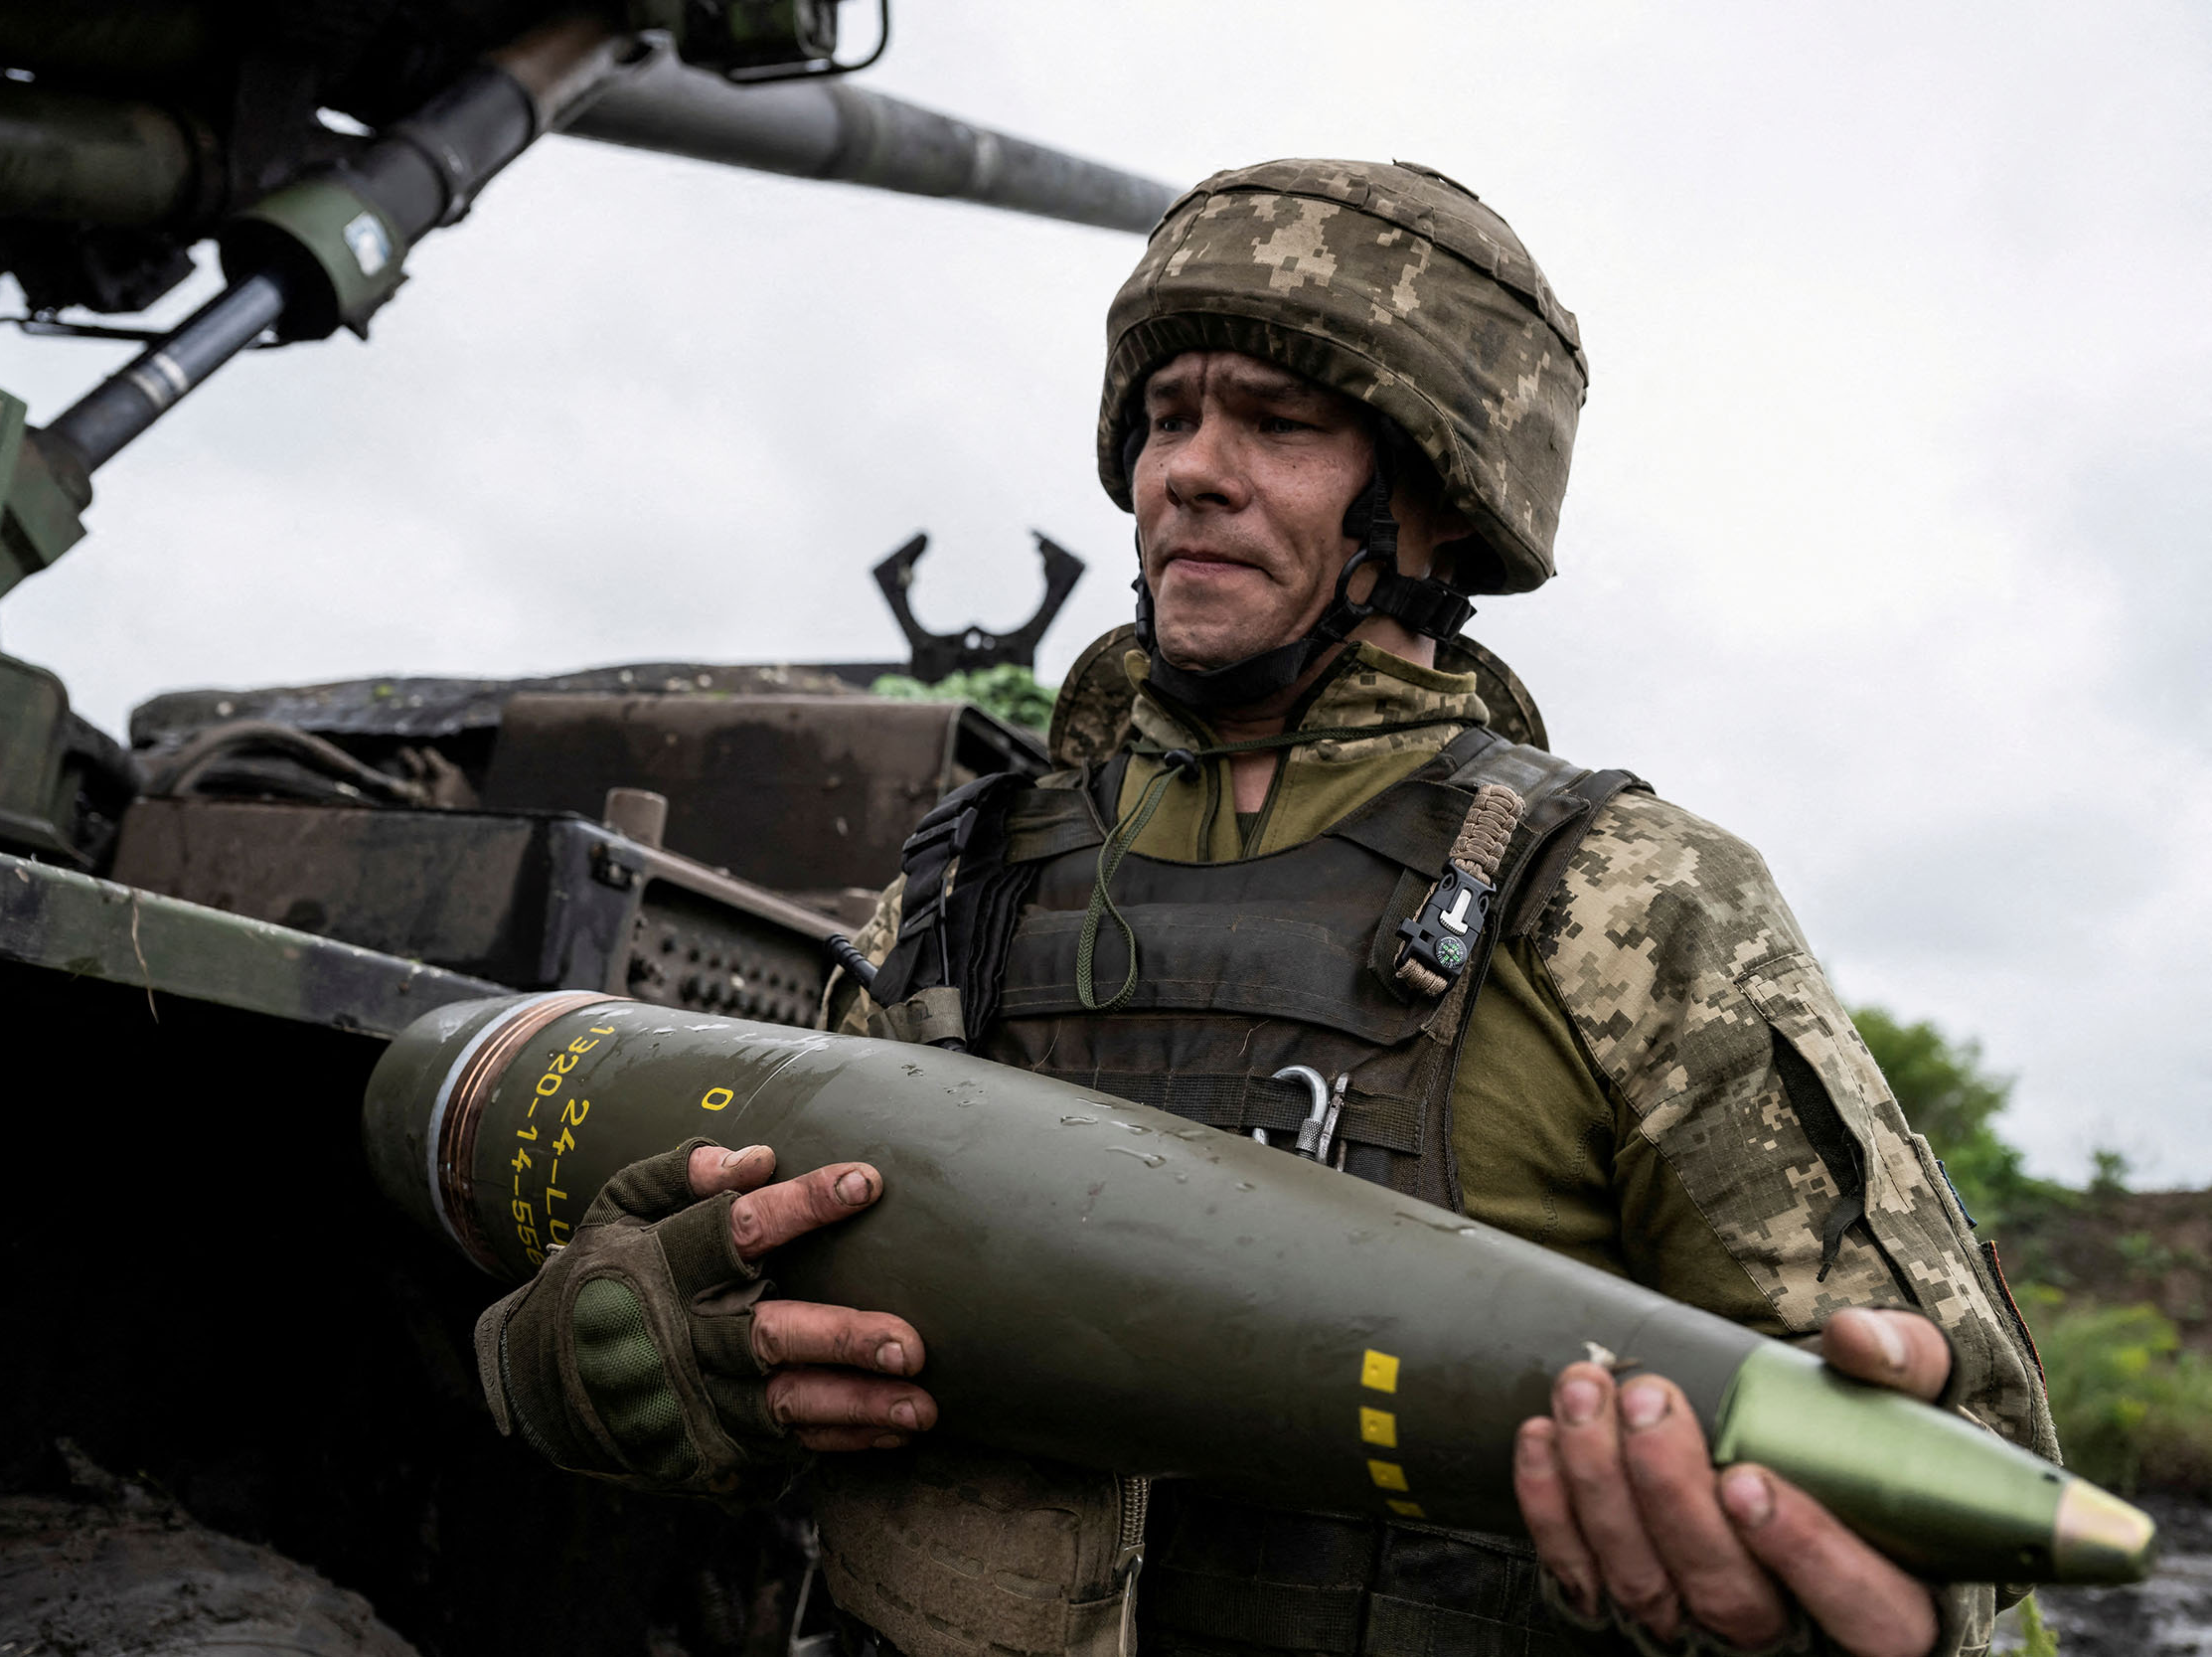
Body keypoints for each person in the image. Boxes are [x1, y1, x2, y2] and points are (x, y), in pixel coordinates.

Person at [470, 160, 2055, 1657]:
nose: (1190, 472)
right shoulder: (958, 888)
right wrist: (615, 1365)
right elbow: (768, 1330)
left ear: (1441, 494)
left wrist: (1835, 1579)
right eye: (1167, 419)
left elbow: (1967, 1471)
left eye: (1278, 423)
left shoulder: (1622, 903)